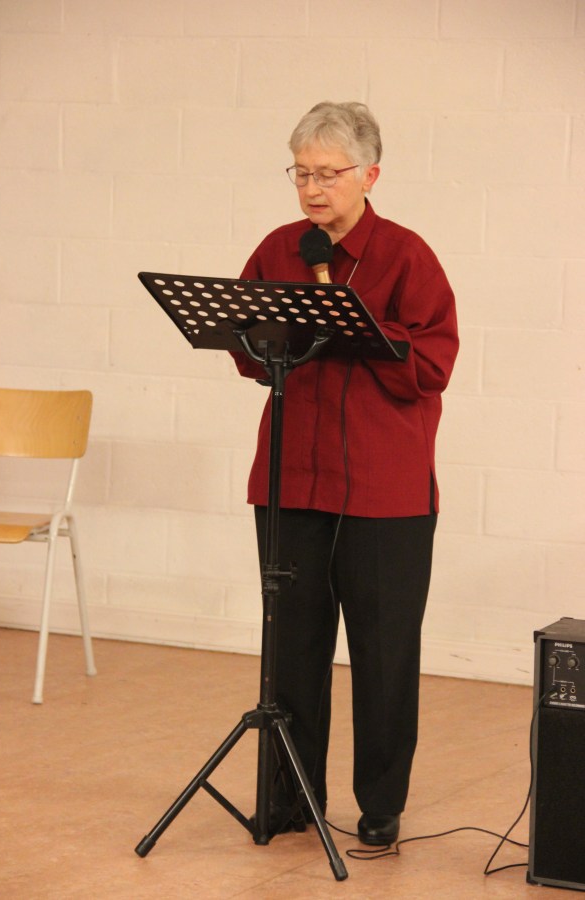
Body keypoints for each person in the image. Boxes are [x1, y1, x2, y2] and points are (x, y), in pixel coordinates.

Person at [232, 101, 459, 846]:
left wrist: (356, 327)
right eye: (301, 173)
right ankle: (292, 797)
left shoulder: (407, 256)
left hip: (385, 490)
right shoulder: (278, 249)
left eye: (328, 173)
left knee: (383, 653)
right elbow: (245, 351)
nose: (312, 188)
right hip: (292, 480)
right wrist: (266, 335)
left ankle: (381, 806)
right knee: (292, 648)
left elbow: (433, 364)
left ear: (370, 175)